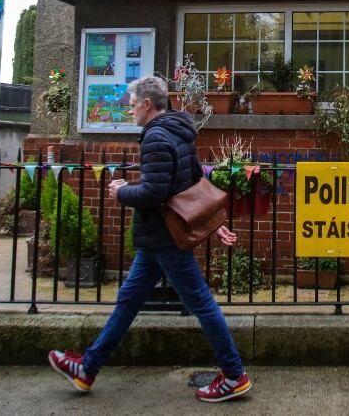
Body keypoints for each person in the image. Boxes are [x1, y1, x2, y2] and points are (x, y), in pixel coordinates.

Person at [48, 75, 253, 403]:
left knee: (200, 301)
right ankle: (87, 368)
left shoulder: (157, 137)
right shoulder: (179, 131)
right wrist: (214, 224)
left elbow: (155, 191)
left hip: (164, 237)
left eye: (131, 106)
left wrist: (122, 191)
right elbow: (191, 180)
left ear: (146, 104)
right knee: (128, 301)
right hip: (157, 239)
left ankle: (234, 374)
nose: (130, 112)